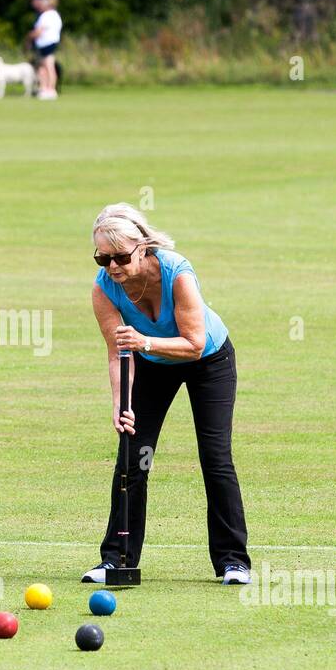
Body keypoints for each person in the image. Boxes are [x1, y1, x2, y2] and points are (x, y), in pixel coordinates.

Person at [83, 202, 251, 586]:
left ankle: (233, 562)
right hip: (152, 364)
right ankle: (116, 560)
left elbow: (194, 343)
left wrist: (143, 341)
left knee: (215, 457)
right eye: (102, 259)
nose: (112, 267)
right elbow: (116, 350)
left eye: (120, 257)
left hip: (208, 360)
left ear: (142, 247)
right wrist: (120, 404)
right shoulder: (104, 288)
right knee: (133, 457)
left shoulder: (177, 272)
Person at [25, 0, 62, 100]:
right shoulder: (55, 15)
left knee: (48, 66)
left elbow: (39, 32)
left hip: (46, 44)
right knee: (43, 67)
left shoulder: (47, 15)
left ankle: (50, 89)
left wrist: (29, 36)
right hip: (49, 43)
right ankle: (44, 88)